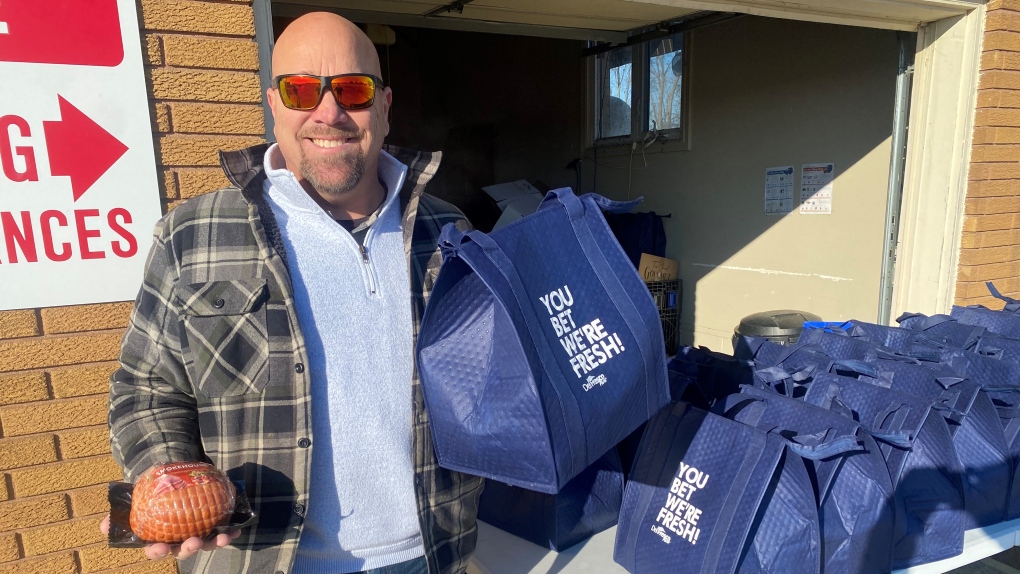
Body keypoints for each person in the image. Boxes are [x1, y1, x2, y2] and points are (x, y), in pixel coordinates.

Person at [104, 12, 484, 574]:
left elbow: (491, 377)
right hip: (259, 560)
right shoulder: (194, 236)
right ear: (274, 104)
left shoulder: (448, 233)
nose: (328, 112)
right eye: (301, 90)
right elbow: (145, 389)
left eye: (352, 90)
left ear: (383, 106)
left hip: (430, 554)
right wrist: (170, 478)